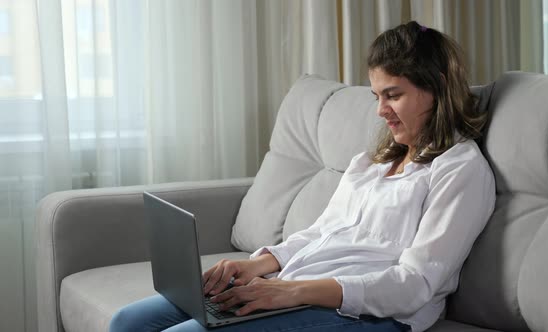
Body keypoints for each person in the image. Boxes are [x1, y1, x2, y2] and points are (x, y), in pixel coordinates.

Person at [110, 21, 496, 332]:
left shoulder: (459, 169)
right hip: (298, 285)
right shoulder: (370, 164)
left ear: (438, 89)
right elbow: (322, 233)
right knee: (127, 322)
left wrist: (290, 293)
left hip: (370, 315)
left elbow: (415, 284)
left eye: (393, 95)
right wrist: (259, 265)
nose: (381, 111)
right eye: (376, 96)